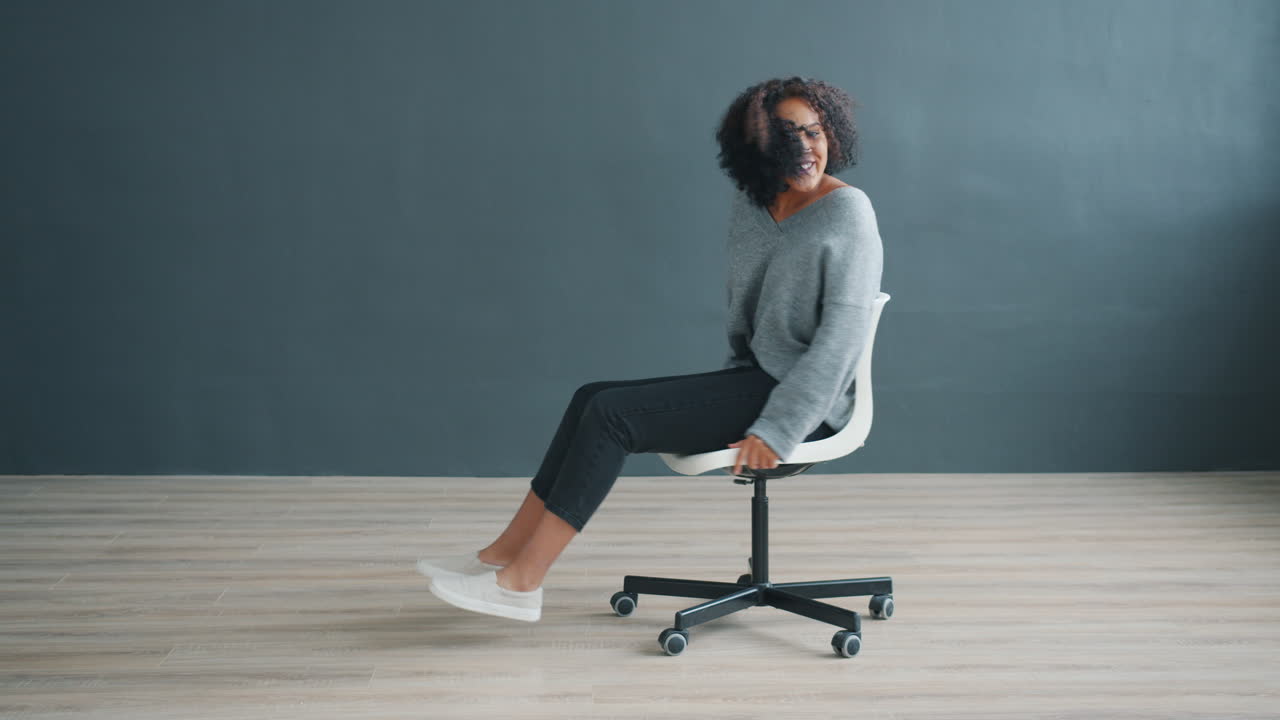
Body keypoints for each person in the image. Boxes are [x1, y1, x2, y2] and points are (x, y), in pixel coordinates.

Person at [420, 76, 884, 623]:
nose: (807, 148)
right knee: (590, 396)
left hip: (803, 403)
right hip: (758, 379)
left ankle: (523, 584)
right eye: (788, 136)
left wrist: (779, 428)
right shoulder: (753, 203)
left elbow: (842, 338)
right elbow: (747, 310)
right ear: (758, 147)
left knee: (612, 417)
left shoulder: (847, 213)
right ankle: (501, 554)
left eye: (816, 131)